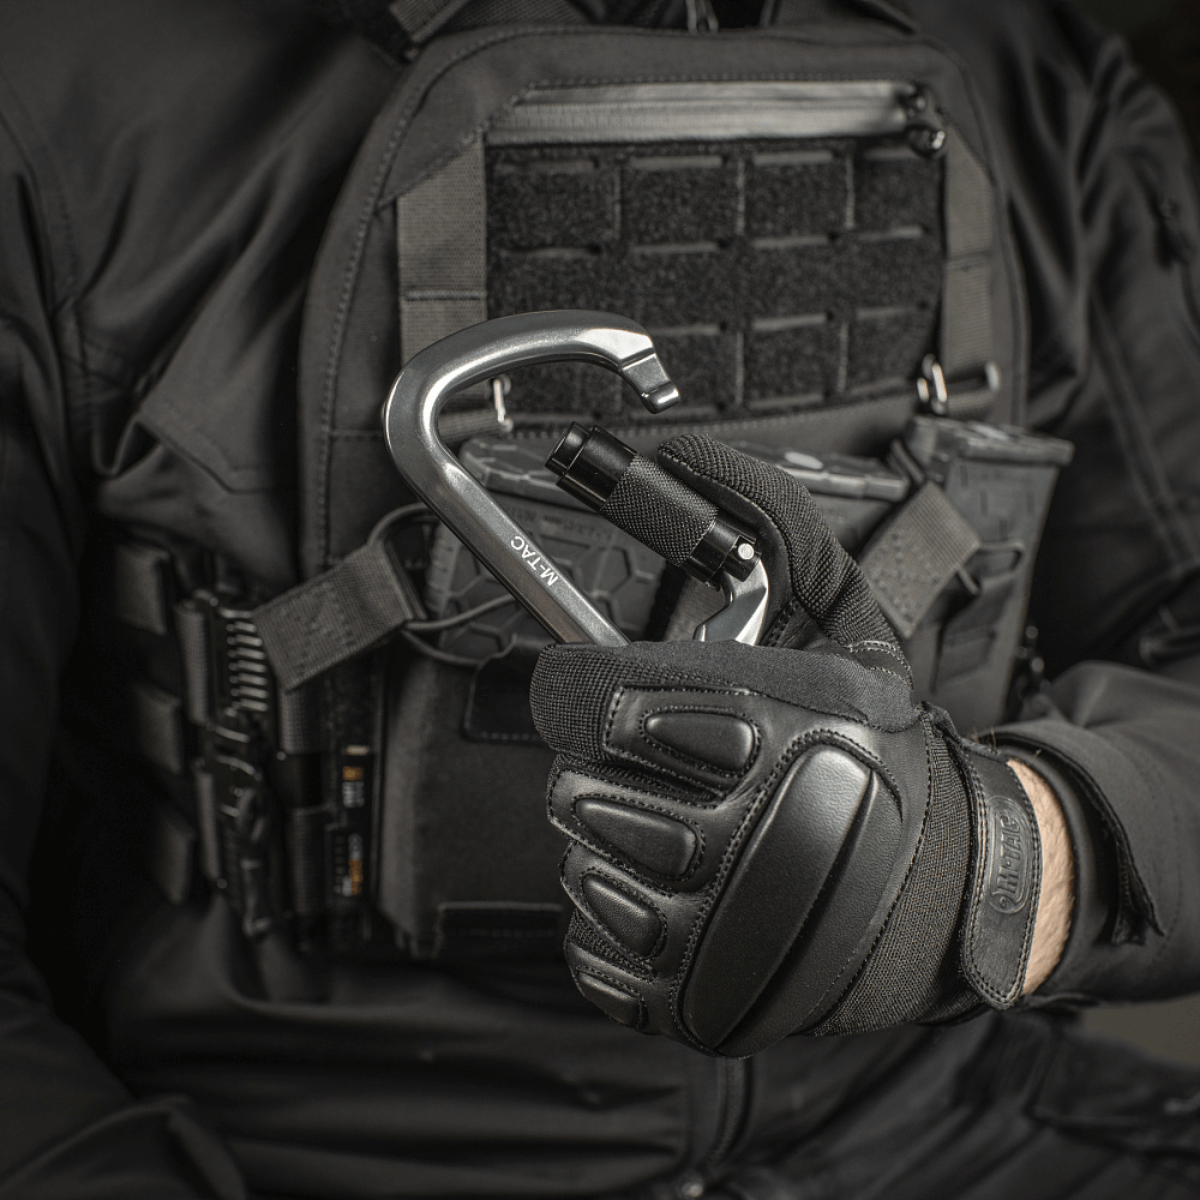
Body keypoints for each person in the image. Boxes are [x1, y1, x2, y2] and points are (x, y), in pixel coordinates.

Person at [2, 0, 1200, 1197]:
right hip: (309, 1154)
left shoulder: (1031, 69)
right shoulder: (68, 90)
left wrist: (1010, 859)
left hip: (950, 1128)